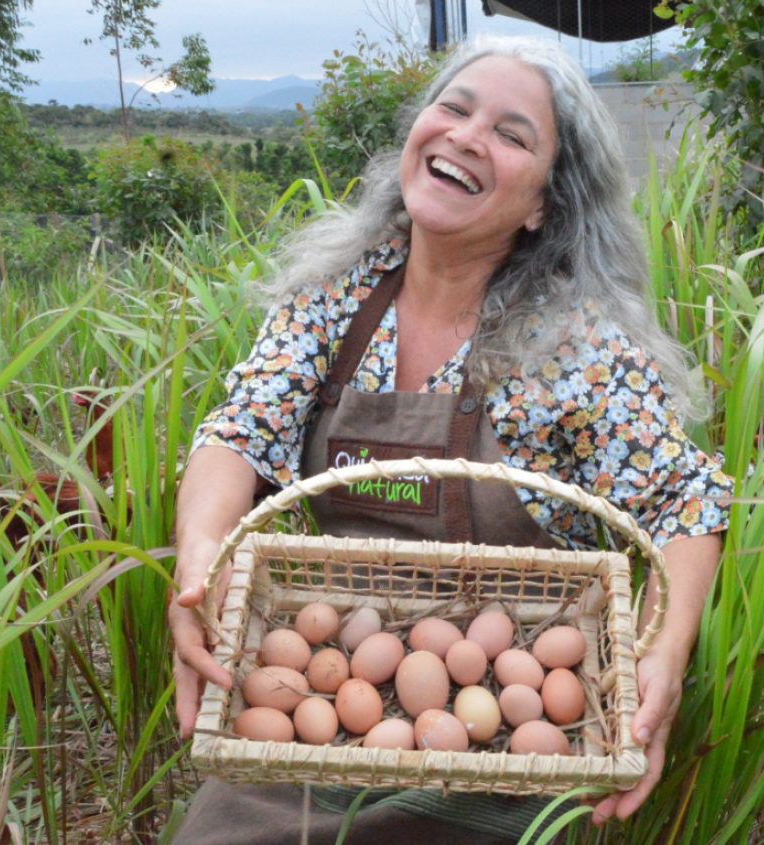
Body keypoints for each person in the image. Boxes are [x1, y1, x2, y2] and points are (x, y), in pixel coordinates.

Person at [168, 34, 732, 844]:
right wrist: (200, 556)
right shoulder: (338, 295)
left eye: (512, 134)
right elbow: (240, 431)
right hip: (312, 712)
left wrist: (665, 655)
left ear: (544, 202)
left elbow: (687, 499)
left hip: (505, 743)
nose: (467, 136)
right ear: (418, 131)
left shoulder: (569, 346)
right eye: (454, 108)